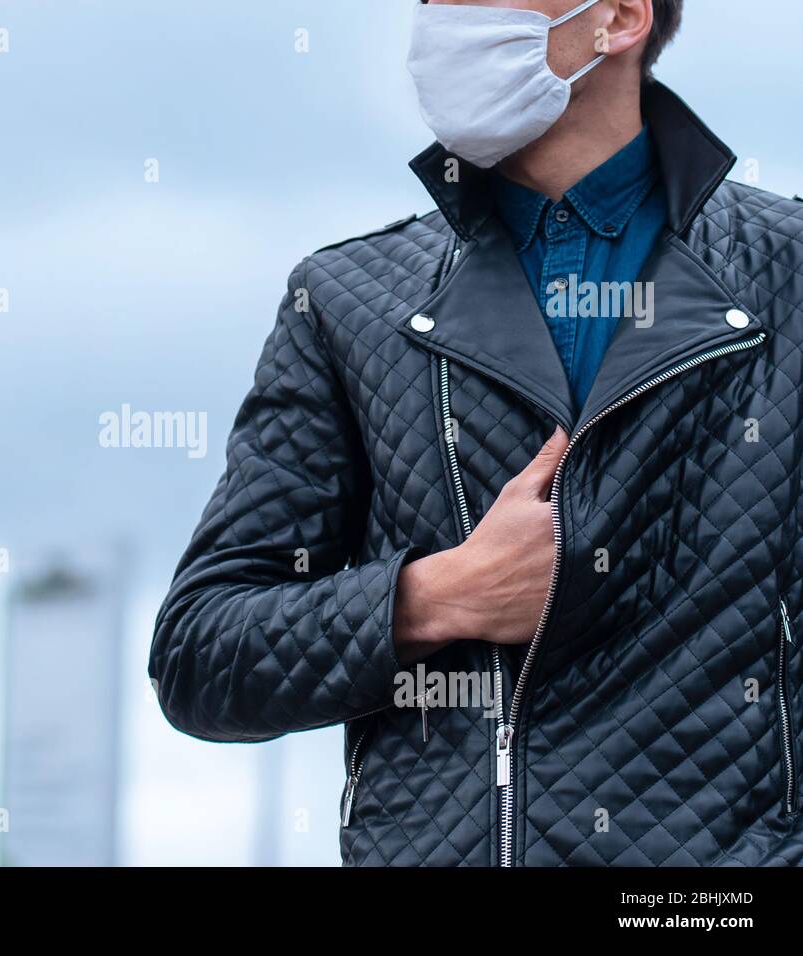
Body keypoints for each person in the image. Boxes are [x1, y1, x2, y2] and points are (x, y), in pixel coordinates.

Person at [149, 0, 803, 866]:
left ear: (618, 18)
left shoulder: (789, 275)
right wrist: (439, 595)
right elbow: (201, 655)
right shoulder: (346, 300)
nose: (441, 21)